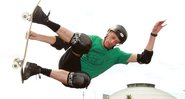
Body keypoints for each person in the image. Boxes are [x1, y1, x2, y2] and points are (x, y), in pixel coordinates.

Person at [22, 6, 166, 89]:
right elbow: (64, 42)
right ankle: (43, 19)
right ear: (108, 33)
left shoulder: (117, 55)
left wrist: (153, 33)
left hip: (75, 78)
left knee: (85, 80)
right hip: (69, 62)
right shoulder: (95, 40)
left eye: (116, 41)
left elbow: (145, 58)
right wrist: (39, 37)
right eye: (113, 36)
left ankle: (35, 69)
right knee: (83, 41)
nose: (113, 41)